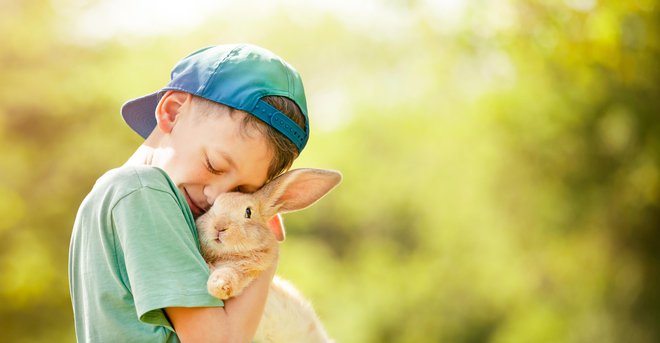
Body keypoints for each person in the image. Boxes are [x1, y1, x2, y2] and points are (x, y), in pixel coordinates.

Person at [68, 43, 310, 342]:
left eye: (239, 191)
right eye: (214, 164)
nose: (214, 196)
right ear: (173, 111)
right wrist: (265, 253)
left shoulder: (113, 195)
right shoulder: (145, 191)